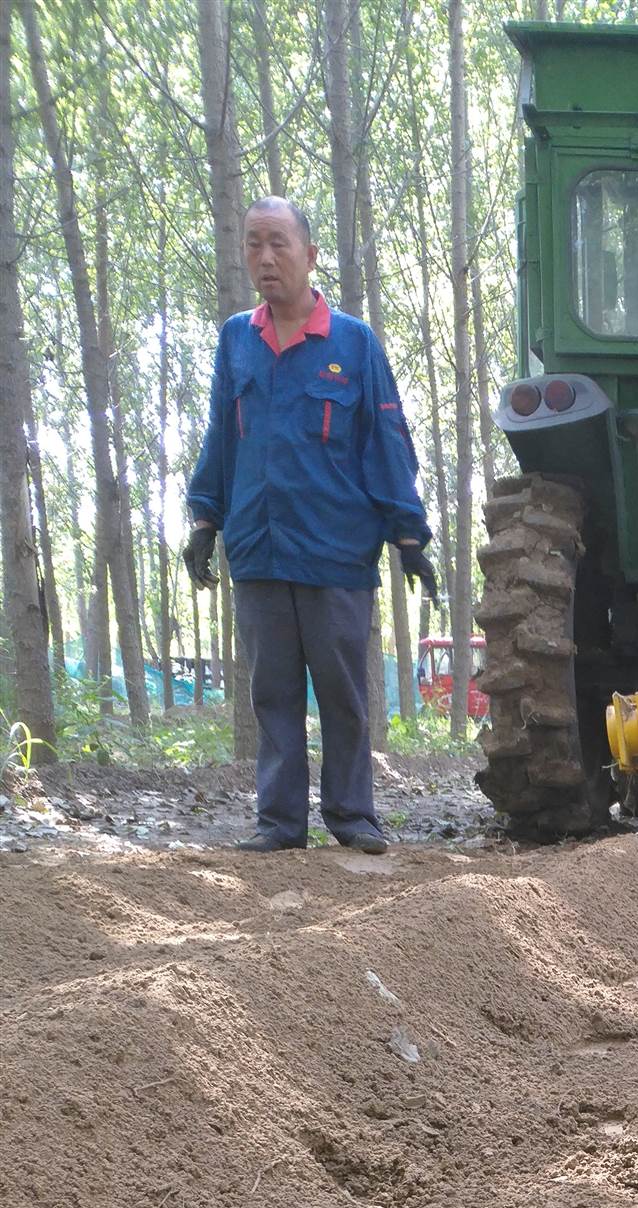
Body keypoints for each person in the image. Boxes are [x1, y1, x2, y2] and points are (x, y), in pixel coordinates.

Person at [185, 198, 439, 853]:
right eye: (253, 245)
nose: (265, 258)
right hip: (260, 549)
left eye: (279, 244)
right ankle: (279, 823)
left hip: (336, 552)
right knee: (272, 695)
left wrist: (407, 535)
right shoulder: (236, 339)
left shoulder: (352, 343)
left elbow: (385, 439)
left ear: (309, 254)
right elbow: (223, 436)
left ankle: (353, 817)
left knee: (343, 695)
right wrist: (205, 519)